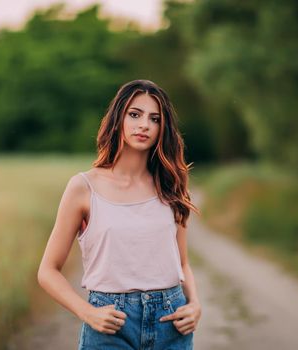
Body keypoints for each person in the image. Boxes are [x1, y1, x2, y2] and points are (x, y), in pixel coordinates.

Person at [37, 79, 202, 349]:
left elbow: (182, 264)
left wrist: (195, 304)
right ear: (118, 118)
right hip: (112, 323)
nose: (144, 125)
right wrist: (87, 312)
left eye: (154, 118)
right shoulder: (83, 187)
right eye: (134, 114)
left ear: (163, 128)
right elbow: (47, 271)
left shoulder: (171, 185)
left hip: (171, 321)